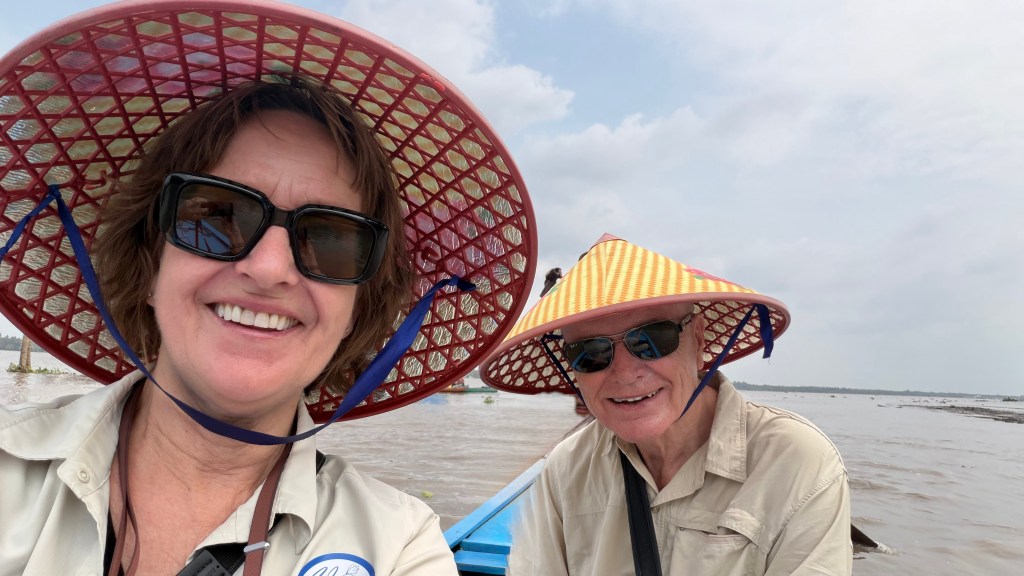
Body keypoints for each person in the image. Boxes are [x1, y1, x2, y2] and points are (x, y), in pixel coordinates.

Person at [0, 2, 535, 575]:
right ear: (149, 263)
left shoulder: (401, 545)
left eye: (331, 239)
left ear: (355, 311)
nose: (270, 267)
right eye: (216, 214)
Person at [481, 234, 852, 575]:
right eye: (591, 353)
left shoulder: (798, 463)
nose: (625, 374)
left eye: (652, 339)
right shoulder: (566, 469)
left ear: (699, 340)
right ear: (574, 368)